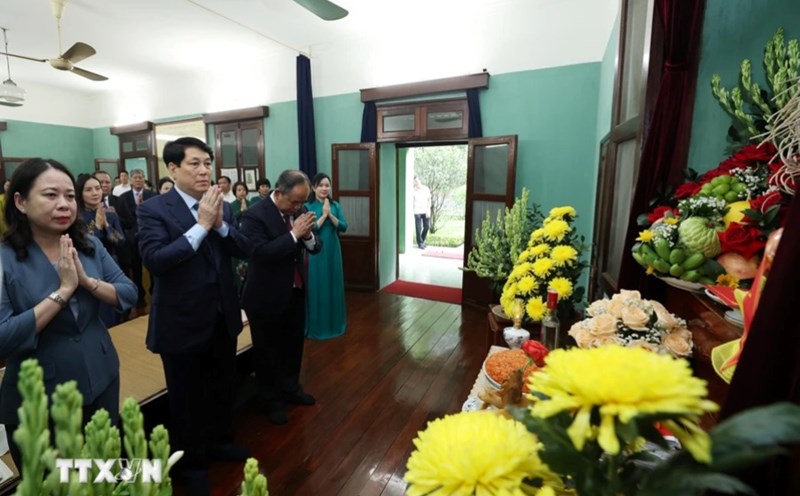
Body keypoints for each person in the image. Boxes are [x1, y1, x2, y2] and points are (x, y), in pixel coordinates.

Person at [0, 159, 136, 469]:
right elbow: (3, 336)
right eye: (50, 195)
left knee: (103, 472)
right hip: (40, 397)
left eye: (70, 196)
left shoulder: (89, 245)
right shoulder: (5, 259)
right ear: (20, 202)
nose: (64, 204)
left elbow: (128, 293)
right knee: (56, 482)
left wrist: (87, 282)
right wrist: (62, 292)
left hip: (101, 376)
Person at [137, 137, 251, 495]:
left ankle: (221, 441)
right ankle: (192, 463)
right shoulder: (154, 209)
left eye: (207, 163)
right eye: (195, 163)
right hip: (181, 320)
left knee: (223, 386)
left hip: (221, 315)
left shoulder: (222, 205)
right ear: (173, 169)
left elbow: (243, 248)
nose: (204, 171)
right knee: (186, 397)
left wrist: (219, 225)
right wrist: (201, 226)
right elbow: (156, 260)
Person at [240, 169, 321, 425]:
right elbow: (259, 253)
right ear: (278, 192)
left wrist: (307, 235)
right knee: (267, 352)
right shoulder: (254, 215)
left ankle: (291, 389)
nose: (298, 207)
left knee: (293, 347)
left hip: (294, 290)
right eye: (294, 202)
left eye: (302, 202)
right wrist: (294, 234)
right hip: (265, 295)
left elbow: (316, 247)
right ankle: (270, 400)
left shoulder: (298, 210)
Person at [305, 172, 347, 340]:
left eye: (327, 185)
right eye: (320, 185)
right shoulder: (308, 206)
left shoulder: (335, 205)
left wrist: (330, 215)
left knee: (333, 284)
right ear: (313, 187)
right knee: (318, 284)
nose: (324, 188)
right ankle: (318, 326)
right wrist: (323, 215)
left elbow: (343, 226)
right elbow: (311, 229)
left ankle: (335, 324)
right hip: (315, 249)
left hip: (333, 248)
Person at [116, 169, 156, 319]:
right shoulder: (123, 198)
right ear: (131, 180)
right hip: (132, 239)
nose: (138, 180)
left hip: (150, 237)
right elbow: (121, 218)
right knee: (136, 268)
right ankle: (139, 296)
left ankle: (154, 292)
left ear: (144, 179)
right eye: (135, 177)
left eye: (141, 177)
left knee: (153, 267)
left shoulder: (152, 195)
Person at [413, 176, 431, 249]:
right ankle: (420, 243)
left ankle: (422, 241)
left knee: (427, 226)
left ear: (420, 181)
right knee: (418, 228)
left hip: (425, 210)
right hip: (417, 211)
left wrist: (428, 209)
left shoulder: (426, 189)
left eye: (417, 181)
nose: (416, 183)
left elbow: (429, 200)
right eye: (414, 182)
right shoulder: (413, 190)